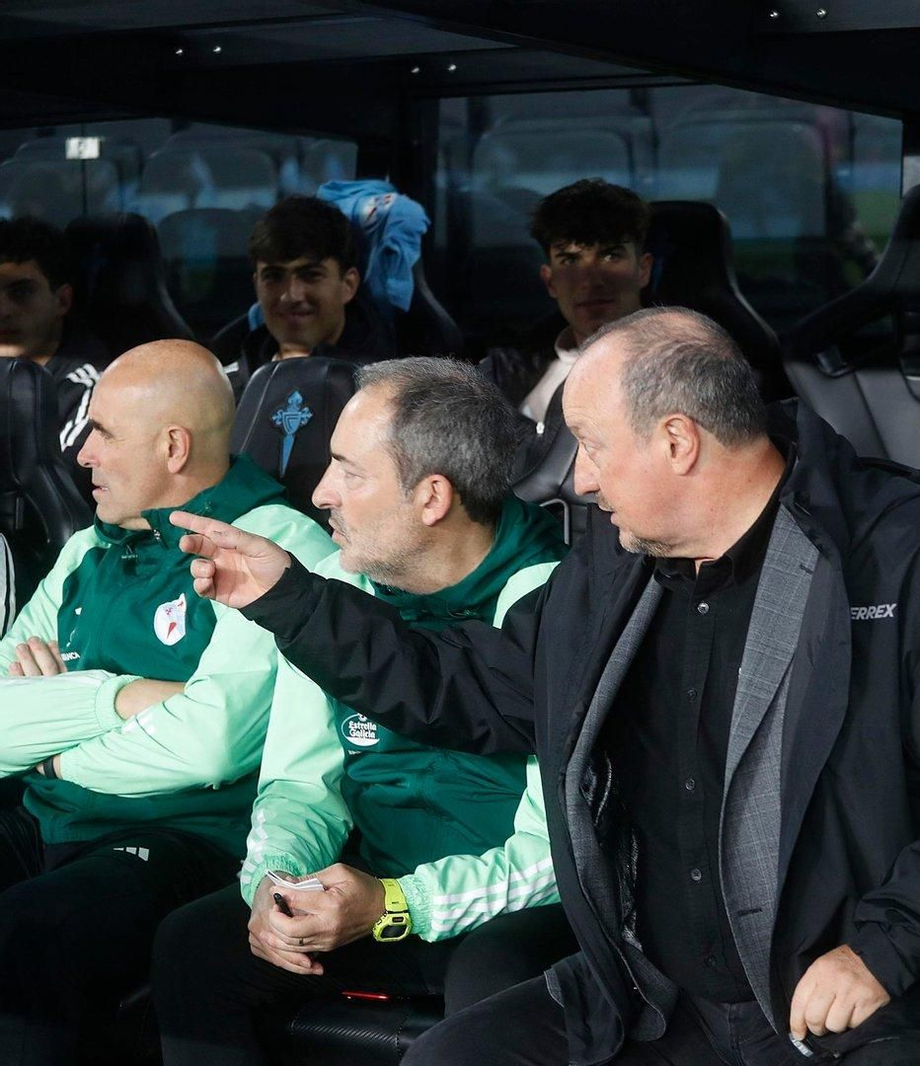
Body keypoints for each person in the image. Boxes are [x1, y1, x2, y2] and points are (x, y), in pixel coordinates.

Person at [173, 306, 920, 1065]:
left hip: (854, 991)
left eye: (594, 447)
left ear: (678, 441)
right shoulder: (616, 560)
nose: (579, 477)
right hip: (654, 993)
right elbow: (476, 690)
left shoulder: (910, 555)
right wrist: (291, 598)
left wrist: (884, 950)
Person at [153, 356, 573, 1065]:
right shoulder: (338, 594)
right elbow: (299, 785)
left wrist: (398, 902)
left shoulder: (554, 602)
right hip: (364, 899)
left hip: (499, 908)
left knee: (498, 976)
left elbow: (556, 857)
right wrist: (276, 888)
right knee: (197, 942)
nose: (320, 493)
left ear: (432, 496)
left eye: (349, 471)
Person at [0, 339, 334, 1065]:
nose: (81, 454)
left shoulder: (273, 543)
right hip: (44, 816)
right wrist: (117, 700)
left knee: (30, 931)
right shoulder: (89, 546)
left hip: (188, 840)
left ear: (173, 446)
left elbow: (210, 744)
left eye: (103, 434)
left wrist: (49, 741)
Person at [478, 178, 652, 437]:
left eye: (610, 256)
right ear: (550, 281)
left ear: (643, 269)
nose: (590, 280)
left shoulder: (688, 369)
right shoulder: (507, 371)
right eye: (570, 260)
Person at [219, 195, 396, 396]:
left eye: (311, 275)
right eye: (274, 276)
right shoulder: (225, 390)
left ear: (348, 285)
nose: (291, 296)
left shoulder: (390, 393)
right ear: (257, 285)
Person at [0, 215, 111, 496]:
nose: (3, 311)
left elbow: (58, 496)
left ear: (62, 301)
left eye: (21, 292)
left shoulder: (94, 387)